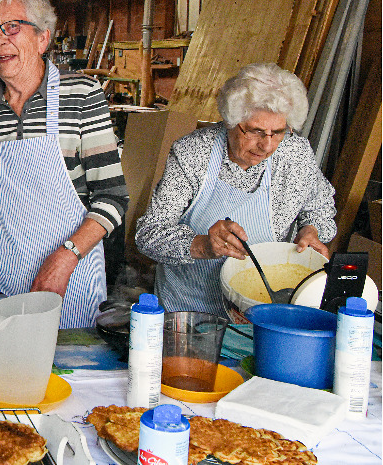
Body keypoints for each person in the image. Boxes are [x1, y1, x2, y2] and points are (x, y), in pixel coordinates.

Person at [0, 0, 128, 330]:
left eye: (12, 27)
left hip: (67, 281)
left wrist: (65, 258)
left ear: (43, 38)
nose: (0, 40)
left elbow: (113, 198)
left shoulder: (82, 95)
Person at [135, 62, 336, 317]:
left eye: (278, 132)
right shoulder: (193, 153)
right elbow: (148, 235)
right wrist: (202, 245)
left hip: (261, 309)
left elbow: (319, 207)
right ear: (231, 121)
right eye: (255, 131)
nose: (266, 145)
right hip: (191, 313)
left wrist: (310, 231)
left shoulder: (295, 154)